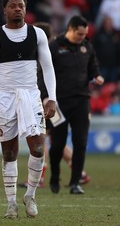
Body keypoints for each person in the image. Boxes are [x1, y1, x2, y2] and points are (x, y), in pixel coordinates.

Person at [0, 0, 57, 219]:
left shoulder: (38, 34)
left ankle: (30, 195)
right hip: (4, 98)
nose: (17, 9)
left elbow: (48, 68)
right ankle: (11, 203)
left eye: (21, 5)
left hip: (31, 96)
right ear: (4, 10)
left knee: (38, 149)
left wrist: (51, 97)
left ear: (26, 8)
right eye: (13, 5)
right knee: (9, 152)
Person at [18, 22, 90, 188]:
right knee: (51, 136)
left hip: (50, 101)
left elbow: (47, 77)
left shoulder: (48, 51)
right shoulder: (52, 49)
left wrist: (46, 97)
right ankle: (80, 174)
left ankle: (40, 176)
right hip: (54, 100)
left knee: (42, 135)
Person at [48, 15, 104, 195]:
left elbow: (93, 67)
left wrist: (96, 76)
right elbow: (44, 73)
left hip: (81, 101)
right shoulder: (54, 46)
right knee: (57, 144)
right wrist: (45, 97)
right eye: (80, 34)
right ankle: (55, 175)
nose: (82, 37)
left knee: (80, 143)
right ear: (70, 30)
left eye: (84, 34)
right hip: (58, 103)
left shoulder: (87, 46)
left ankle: (74, 183)